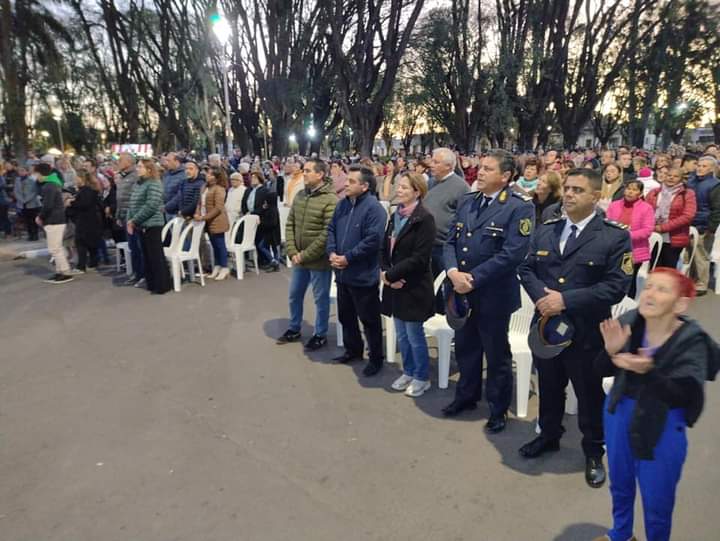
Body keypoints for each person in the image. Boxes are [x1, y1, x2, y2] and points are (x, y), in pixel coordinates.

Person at [518, 168, 632, 489]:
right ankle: (549, 435)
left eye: (578, 190)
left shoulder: (613, 236)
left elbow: (616, 287)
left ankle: (593, 450)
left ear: (596, 197)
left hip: (586, 332)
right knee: (549, 386)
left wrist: (565, 300)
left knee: (588, 394)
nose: (568, 194)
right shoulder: (547, 229)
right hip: (547, 328)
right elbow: (526, 268)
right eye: (567, 188)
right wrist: (543, 299)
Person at [592, 268, 719, 541]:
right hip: (619, 412)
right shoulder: (631, 321)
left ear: (681, 304)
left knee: (657, 501)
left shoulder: (691, 340)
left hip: (663, 424)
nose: (649, 293)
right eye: (649, 286)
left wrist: (648, 371)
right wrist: (610, 351)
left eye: (662, 289)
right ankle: (621, 534)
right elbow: (599, 370)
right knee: (620, 484)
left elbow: (685, 397)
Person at [442, 149, 534, 432]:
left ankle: (497, 408)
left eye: (488, 169)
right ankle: (466, 396)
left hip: (493, 294)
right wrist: (453, 272)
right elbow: (450, 242)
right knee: (466, 348)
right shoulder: (468, 201)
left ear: (505, 176)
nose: (480, 173)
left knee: (496, 355)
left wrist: (473, 278)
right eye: (480, 167)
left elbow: (512, 253)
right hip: (462, 289)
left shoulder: (519, 207)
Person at [326, 165, 387, 377]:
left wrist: (348, 258)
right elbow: (331, 229)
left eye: (351, 181)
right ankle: (353, 350)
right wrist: (332, 252)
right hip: (342, 273)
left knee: (369, 320)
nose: (346, 184)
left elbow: (373, 240)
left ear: (365, 186)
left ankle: (376, 358)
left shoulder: (374, 209)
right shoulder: (343, 204)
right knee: (346, 316)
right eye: (347, 180)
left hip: (362, 274)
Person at [381, 172, 436, 395]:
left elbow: (419, 257)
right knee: (402, 334)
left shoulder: (424, 218)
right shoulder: (396, 214)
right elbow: (384, 247)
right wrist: (385, 273)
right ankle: (409, 371)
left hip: (413, 286)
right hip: (395, 284)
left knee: (414, 335)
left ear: (417, 191)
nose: (399, 190)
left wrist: (391, 275)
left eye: (404, 187)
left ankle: (422, 377)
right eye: (399, 186)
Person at [276, 158, 337, 350]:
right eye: (304, 170)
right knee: (294, 295)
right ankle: (294, 328)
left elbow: (326, 234)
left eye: (309, 171)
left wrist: (304, 255)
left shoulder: (330, 200)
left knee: (320, 299)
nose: (304, 174)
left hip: (318, 260)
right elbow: (290, 224)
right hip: (299, 258)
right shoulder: (301, 195)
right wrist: (292, 251)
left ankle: (320, 334)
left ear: (320, 174)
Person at [424, 147, 469, 313]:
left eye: (436, 162)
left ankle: (450, 318)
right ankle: (432, 314)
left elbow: (464, 219)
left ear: (449, 166)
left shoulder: (461, 187)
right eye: (432, 161)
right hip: (428, 243)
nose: (431, 165)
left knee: (448, 287)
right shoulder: (430, 182)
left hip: (446, 246)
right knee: (429, 285)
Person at [126, 159, 172, 294]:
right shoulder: (138, 184)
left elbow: (151, 205)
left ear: (149, 169)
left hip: (153, 224)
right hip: (140, 225)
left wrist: (134, 220)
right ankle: (151, 283)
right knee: (146, 255)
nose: (137, 169)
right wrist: (130, 219)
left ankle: (162, 285)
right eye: (138, 166)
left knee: (155, 256)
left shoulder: (154, 184)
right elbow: (132, 204)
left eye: (140, 167)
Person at [606, 180, 656, 298]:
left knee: (628, 281)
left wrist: (627, 235)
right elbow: (607, 223)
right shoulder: (614, 205)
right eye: (628, 189)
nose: (630, 192)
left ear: (640, 193)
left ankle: (628, 305)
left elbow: (647, 230)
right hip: (614, 249)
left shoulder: (646, 208)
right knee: (611, 279)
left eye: (634, 190)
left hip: (632, 251)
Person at [646, 167, 697, 269]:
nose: (671, 178)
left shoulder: (687, 194)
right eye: (669, 175)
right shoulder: (654, 192)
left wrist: (663, 227)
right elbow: (645, 210)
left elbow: (688, 216)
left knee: (667, 268)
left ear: (681, 179)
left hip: (673, 237)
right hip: (653, 233)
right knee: (653, 266)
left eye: (675, 176)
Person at [34, 163, 73, 284]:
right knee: (56, 247)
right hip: (57, 219)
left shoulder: (49, 186)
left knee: (55, 249)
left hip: (54, 220)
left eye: (36, 174)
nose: (36, 176)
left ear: (41, 173)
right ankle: (59, 271)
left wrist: (40, 216)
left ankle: (65, 272)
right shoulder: (53, 183)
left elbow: (48, 205)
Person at [686, 155, 720, 295]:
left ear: (711, 169)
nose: (700, 168)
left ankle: (701, 284)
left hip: (703, 225)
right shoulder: (691, 181)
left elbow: (717, 209)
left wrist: (711, 227)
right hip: (688, 222)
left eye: (704, 166)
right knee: (688, 255)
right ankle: (689, 280)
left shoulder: (715, 185)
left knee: (701, 255)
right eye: (699, 165)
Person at [194, 167, 231, 280]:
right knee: (214, 245)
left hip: (217, 220)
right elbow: (200, 202)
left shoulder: (219, 189)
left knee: (220, 244)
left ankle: (224, 267)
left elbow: (218, 208)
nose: (207, 175)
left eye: (210, 174)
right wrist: (197, 213)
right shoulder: (204, 187)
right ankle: (217, 265)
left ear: (216, 177)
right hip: (206, 220)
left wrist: (203, 217)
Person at [242, 171, 281, 272]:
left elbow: (264, 207)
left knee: (263, 244)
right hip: (251, 219)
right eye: (251, 178)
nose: (252, 179)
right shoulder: (248, 190)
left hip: (262, 221)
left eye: (255, 178)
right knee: (260, 244)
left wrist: (256, 213)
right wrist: (246, 212)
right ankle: (272, 262)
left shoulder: (265, 191)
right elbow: (244, 203)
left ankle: (271, 261)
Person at [115, 153, 143, 286]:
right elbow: (120, 198)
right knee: (132, 247)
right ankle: (137, 274)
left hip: (133, 217)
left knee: (138, 247)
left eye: (120, 160)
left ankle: (142, 274)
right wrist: (118, 215)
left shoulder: (135, 176)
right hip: (125, 216)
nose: (118, 162)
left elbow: (136, 198)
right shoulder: (123, 176)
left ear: (129, 162)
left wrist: (133, 217)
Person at [66, 171, 103, 273]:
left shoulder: (86, 190)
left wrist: (71, 203)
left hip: (86, 220)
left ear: (82, 179)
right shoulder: (87, 190)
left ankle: (81, 266)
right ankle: (93, 263)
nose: (75, 180)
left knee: (81, 243)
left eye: (77, 177)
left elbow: (84, 204)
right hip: (89, 220)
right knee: (89, 243)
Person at [13, 162, 41, 240]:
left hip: (32, 203)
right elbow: (16, 191)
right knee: (27, 220)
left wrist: (27, 199)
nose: (21, 172)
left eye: (23, 170)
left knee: (33, 220)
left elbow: (35, 191)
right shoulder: (17, 180)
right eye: (20, 171)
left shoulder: (31, 180)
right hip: (22, 203)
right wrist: (21, 199)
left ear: (27, 171)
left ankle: (35, 235)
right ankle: (30, 235)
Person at [162, 152, 186, 221]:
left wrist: (167, 206)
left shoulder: (184, 174)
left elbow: (180, 195)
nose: (166, 163)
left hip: (176, 212)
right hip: (165, 211)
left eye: (168, 160)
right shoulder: (167, 174)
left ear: (176, 161)